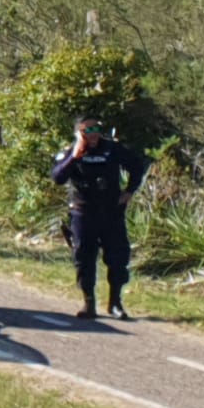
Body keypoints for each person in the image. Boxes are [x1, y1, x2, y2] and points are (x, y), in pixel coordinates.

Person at [51, 117, 149, 320]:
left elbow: (138, 166)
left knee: (118, 258)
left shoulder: (112, 149)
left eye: (96, 128)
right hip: (83, 213)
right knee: (84, 259)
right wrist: (75, 156)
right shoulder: (72, 151)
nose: (93, 133)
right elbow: (58, 177)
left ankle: (115, 303)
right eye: (87, 130)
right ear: (78, 132)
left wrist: (129, 190)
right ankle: (89, 303)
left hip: (111, 213)